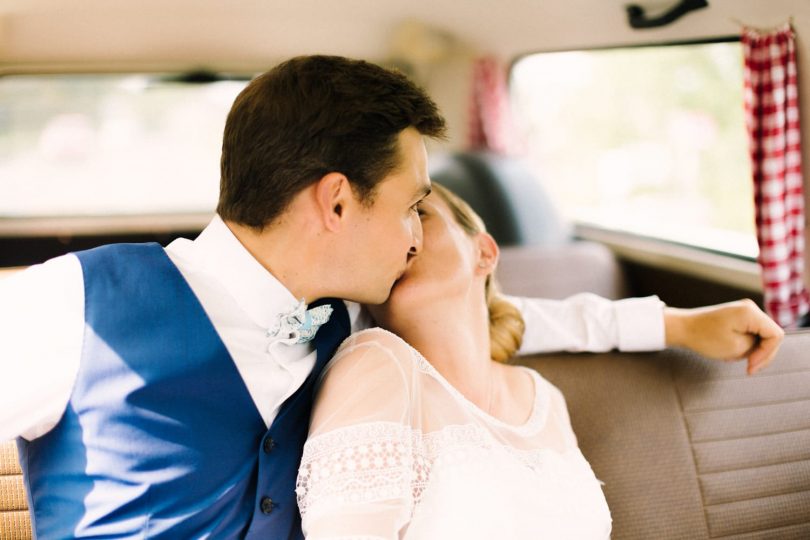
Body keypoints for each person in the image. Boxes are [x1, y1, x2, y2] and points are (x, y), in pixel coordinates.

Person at [0, 56, 782, 539]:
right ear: (337, 203)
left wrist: (675, 323)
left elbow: (495, 318)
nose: (415, 233)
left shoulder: (347, 320)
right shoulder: (70, 306)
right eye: (411, 205)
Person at [294, 183, 782, 538]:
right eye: (379, 229)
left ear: (484, 253)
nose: (401, 239)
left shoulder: (543, 396)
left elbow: (543, 321)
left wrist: (679, 325)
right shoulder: (373, 365)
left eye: (420, 214)